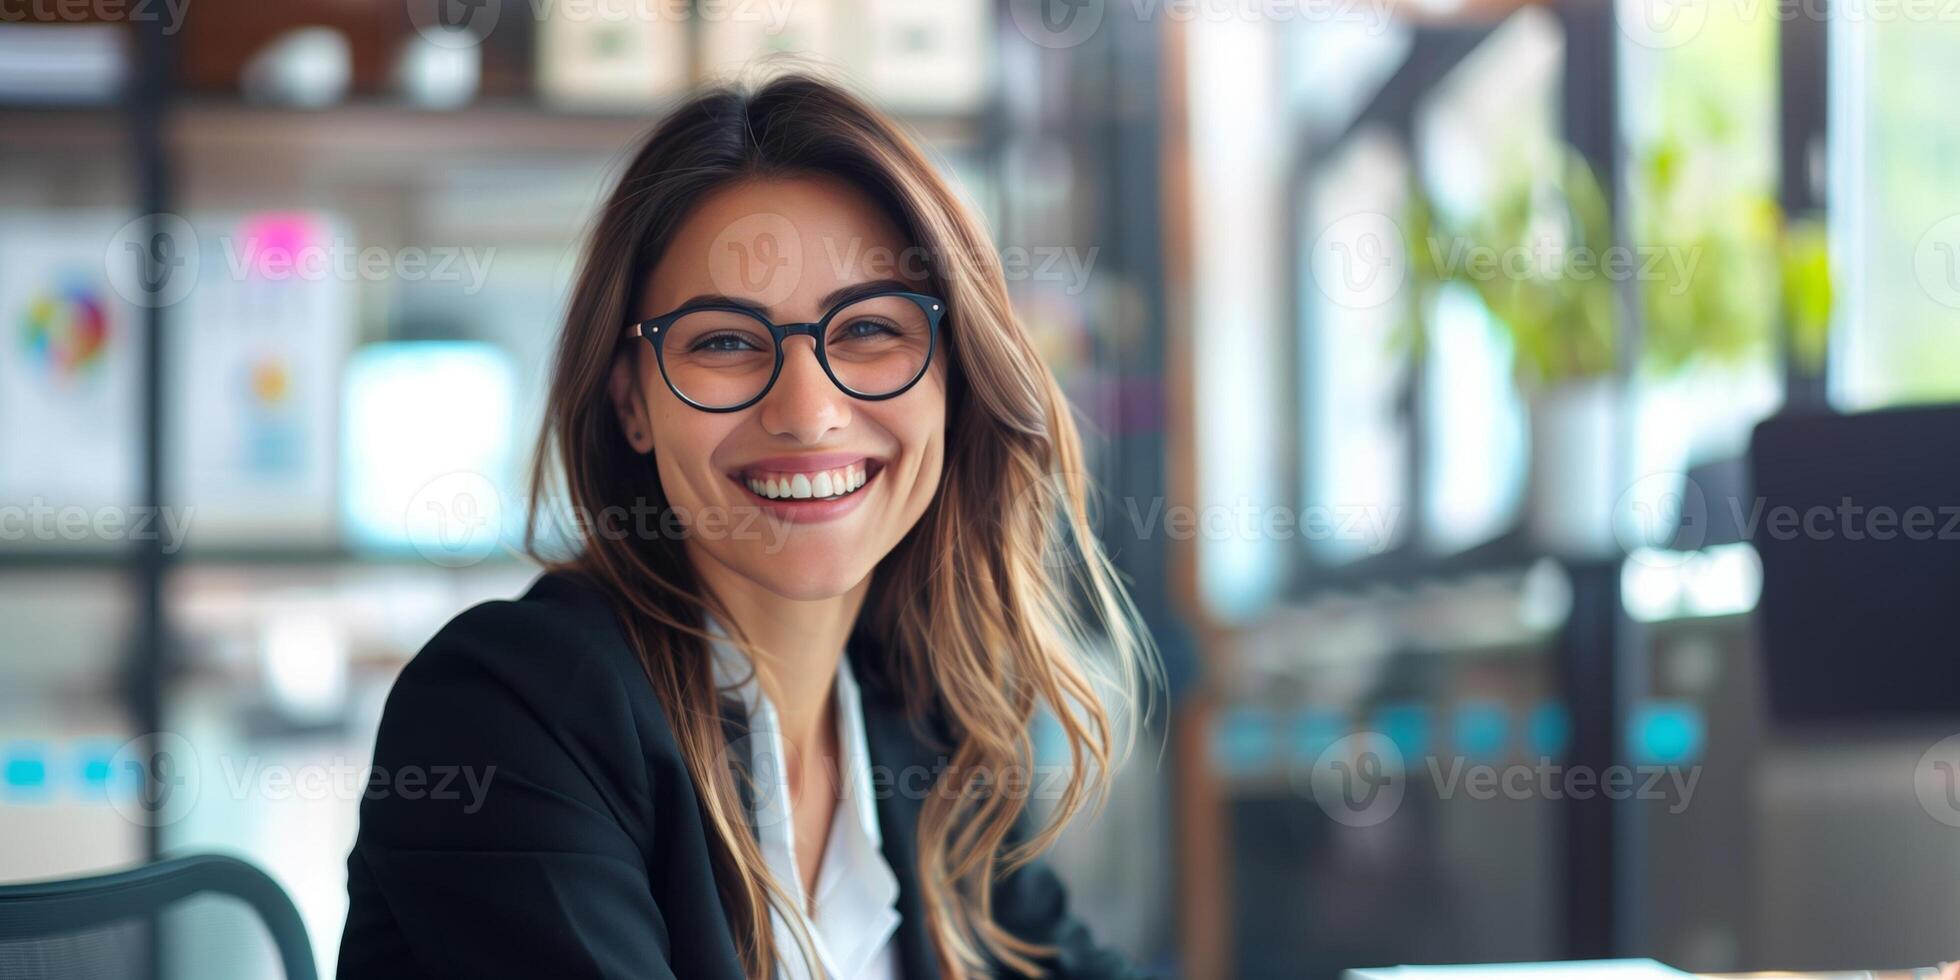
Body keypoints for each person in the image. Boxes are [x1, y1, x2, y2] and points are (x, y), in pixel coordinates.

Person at [337, 71, 1158, 979]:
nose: (808, 412)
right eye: (724, 341)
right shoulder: (510, 712)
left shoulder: (923, 727)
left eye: (871, 329)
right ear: (632, 402)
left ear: (955, 381)